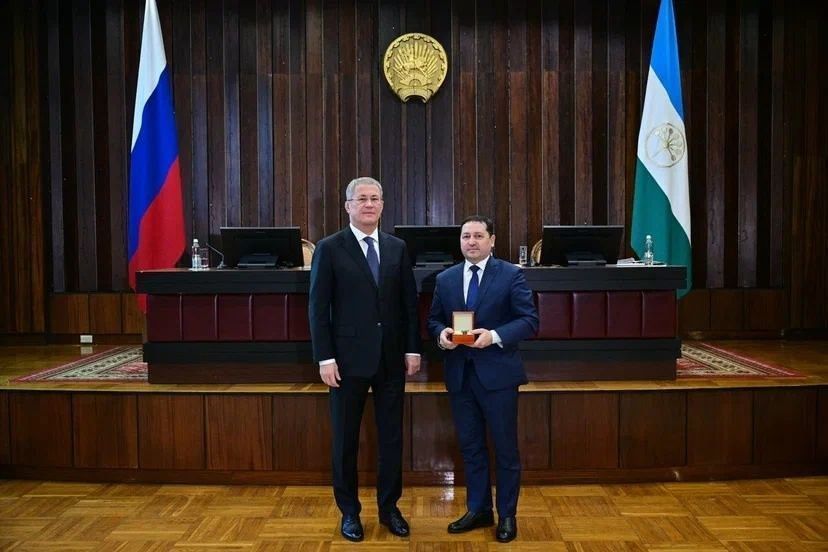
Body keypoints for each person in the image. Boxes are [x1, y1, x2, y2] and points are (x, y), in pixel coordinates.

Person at [308, 177, 421, 542]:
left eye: (375, 198)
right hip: (345, 361)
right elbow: (318, 308)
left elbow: (408, 304)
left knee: (391, 439)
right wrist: (325, 357)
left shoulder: (397, 247)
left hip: (391, 359)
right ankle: (349, 512)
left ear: (383, 205)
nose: (369, 204)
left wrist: (412, 349)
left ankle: (389, 509)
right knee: (345, 440)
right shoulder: (329, 248)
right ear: (348, 206)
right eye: (362, 199)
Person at [427, 215, 538, 543]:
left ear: (492, 240)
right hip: (460, 376)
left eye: (478, 236)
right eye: (466, 236)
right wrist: (442, 335)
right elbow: (433, 320)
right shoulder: (445, 279)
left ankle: (507, 515)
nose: (471, 242)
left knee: (505, 449)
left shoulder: (510, 274)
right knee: (471, 447)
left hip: (498, 376)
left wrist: (494, 336)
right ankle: (478, 509)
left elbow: (529, 320)